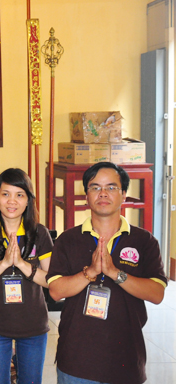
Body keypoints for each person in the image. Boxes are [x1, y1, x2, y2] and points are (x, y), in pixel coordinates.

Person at [47, 162, 167, 384]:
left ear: (123, 194)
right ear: (86, 195)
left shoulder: (144, 241)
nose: (103, 193)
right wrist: (90, 272)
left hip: (126, 359)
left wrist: (115, 273)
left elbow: (157, 293)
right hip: (76, 361)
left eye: (111, 187)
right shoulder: (68, 240)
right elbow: (55, 291)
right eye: (95, 187)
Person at [0, 168, 54, 384]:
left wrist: (23, 265)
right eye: (5, 194)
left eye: (19, 195)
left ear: (28, 200)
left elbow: (52, 281)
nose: (12, 201)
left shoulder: (39, 233)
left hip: (33, 323)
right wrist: (5, 263)